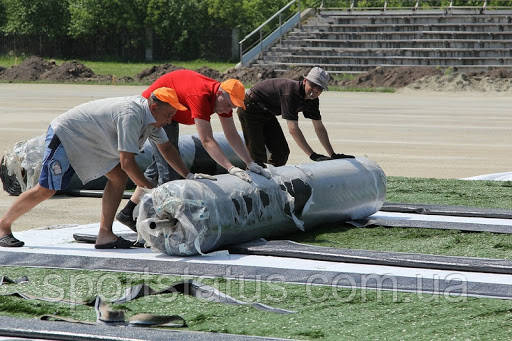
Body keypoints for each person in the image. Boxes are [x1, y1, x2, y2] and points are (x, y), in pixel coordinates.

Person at [0, 88, 215, 248]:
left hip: (94, 141)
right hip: (69, 134)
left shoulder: (153, 121)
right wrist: (153, 191)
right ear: (154, 107)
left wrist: (188, 175)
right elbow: (127, 162)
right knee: (47, 189)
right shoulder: (131, 115)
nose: (170, 120)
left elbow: (167, 149)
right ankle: (3, 226)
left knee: (118, 179)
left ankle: (105, 234)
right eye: (168, 115)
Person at [116, 69, 271, 230]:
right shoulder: (201, 96)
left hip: (171, 112)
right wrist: (230, 168)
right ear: (219, 94)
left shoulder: (222, 101)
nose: (227, 110)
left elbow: (231, 134)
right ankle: (162, 224)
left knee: (158, 167)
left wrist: (249, 162)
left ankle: (128, 213)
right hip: (156, 110)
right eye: (227, 105)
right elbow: (206, 140)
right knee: (169, 172)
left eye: (232, 107)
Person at [237, 66, 355, 167]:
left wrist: (332, 154)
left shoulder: (313, 100)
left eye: (319, 88)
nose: (315, 90)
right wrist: (312, 155)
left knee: (281, 153)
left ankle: (269, 177)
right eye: (313, 85)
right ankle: (255, 180)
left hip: (267, 112)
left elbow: (319, 127)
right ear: (305, 81)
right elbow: (293, 129)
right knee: (258, 156)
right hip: (250, 108)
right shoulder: (291, 92)